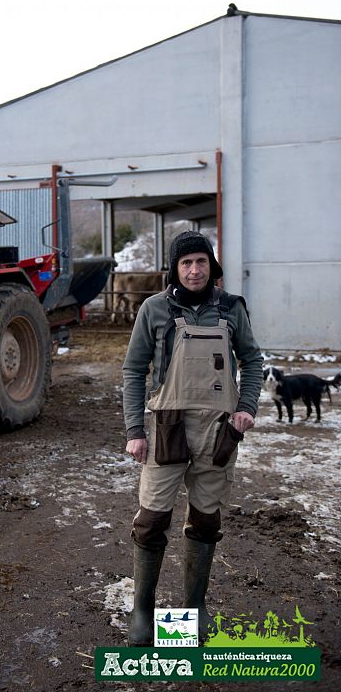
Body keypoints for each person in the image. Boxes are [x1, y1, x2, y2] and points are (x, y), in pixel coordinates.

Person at [123, 231, 263, 646]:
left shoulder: (232, 309)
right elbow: (133, 370)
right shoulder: (154, 309)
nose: (194, 270)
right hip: (167, 427)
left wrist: (247, 408)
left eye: (201, 262)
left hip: (218, 432)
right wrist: (134, 430)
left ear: (212, 266)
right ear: (175, 268)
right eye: (186, 263)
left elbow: (253, 361)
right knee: (150, 522)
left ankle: (192, 611)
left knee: (205, 522)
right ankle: (143, 614)